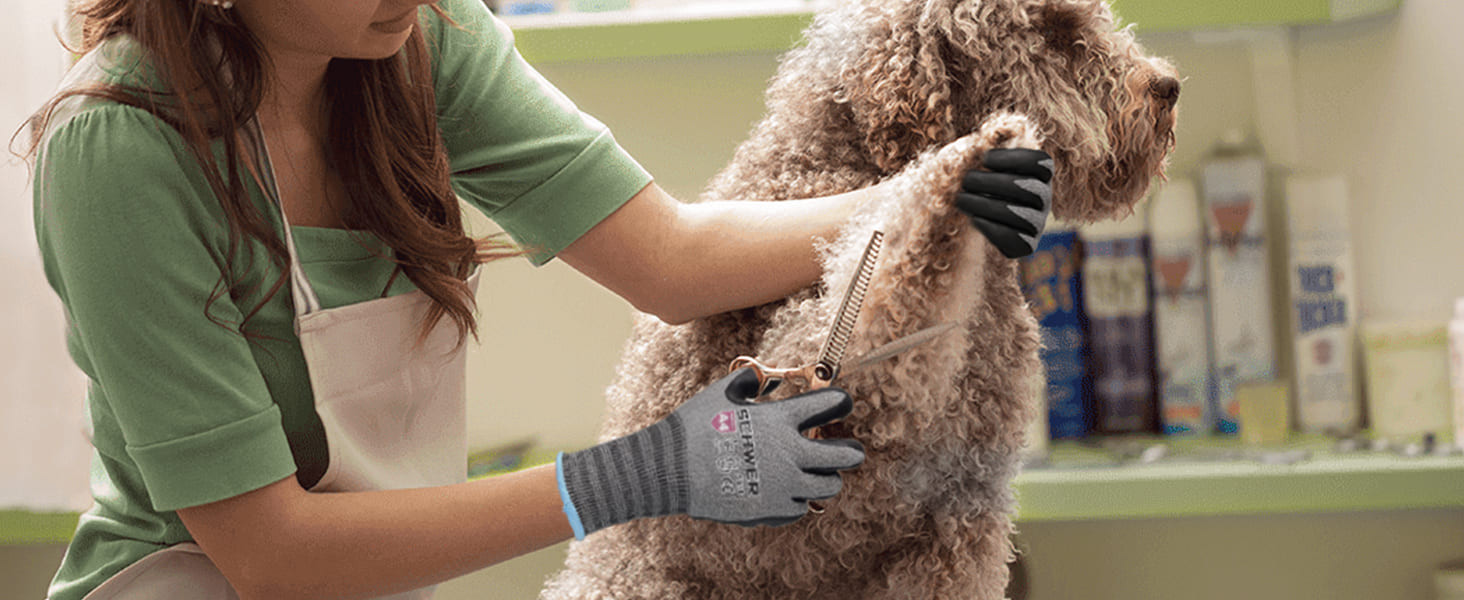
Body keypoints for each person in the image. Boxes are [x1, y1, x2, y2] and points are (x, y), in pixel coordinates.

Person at [23, 0, 1054, 598]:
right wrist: (646, 473)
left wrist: (924, 198)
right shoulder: (121, 152)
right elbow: (271, 552)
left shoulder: (413, 39)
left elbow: (671, 256)